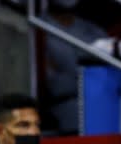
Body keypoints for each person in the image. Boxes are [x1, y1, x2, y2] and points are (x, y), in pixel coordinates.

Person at [43, 0, 110, 132]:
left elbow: (108, 68)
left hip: (100, 98)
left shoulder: (92, 30)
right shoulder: (39, 28)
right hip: (65, 103)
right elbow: (52, 82)